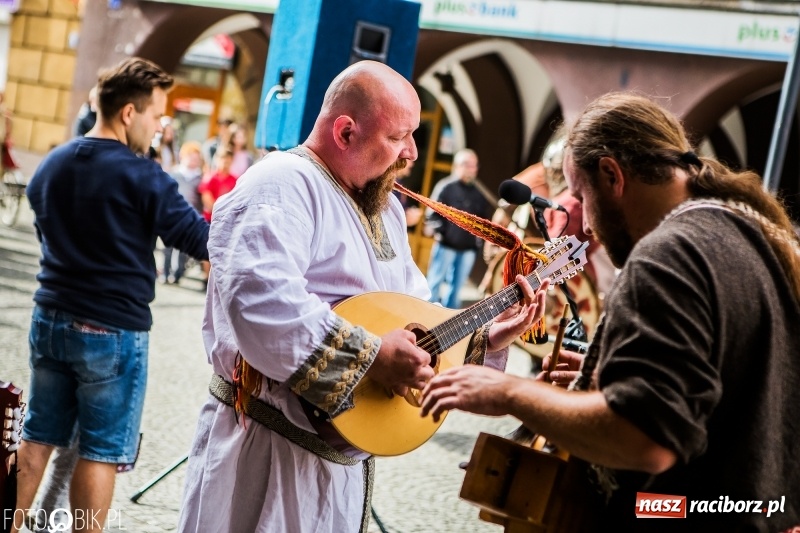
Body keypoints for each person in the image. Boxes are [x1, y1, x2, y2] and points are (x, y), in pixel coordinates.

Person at [178, 60, 549, 533]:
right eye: (399, 136)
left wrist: (482, 338)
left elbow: (414, 314)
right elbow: (261, 303)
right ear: (346, 132)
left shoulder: (387, 207)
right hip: (268, 455)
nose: (412, 152)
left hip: (338, 468)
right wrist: (371, 356)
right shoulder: (280, 185)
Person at [420, 92, 800, 531]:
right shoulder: (760, 236)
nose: (587, 225)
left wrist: (509, 392)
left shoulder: (668, 255)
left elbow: (645, 438)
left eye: (581, 194)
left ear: (611, 175)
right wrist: (609, 374)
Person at [13, 57, 210, 533]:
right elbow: (201, 241)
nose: (160, 126)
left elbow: (43, 224)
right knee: (100, 452)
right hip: (111, 329)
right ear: (128, 113)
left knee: (36, 438)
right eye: (156, 114)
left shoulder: (54, 163)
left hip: (50, 318)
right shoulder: (144, 176)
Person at [425, 148, 493, 308]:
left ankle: (448, 319)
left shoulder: (478, 192)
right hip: (446, 246)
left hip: (468, 248)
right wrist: (444, 232)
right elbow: (431, 215)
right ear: (457, 166)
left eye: (474, 166)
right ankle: (426, 314)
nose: (471, 169)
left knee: (456, 290)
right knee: (434, 284)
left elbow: (484, 218)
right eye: (467, 165)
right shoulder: (446, 187)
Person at [161, 140, 205, 285]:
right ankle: (165, 273)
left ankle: (178, 274)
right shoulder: (174, 173)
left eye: (196, 157)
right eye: (190, 156)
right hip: (171, 215)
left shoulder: (201, 177)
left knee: (182, 249)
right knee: (168, 247)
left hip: (189, 217)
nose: (193, 160)